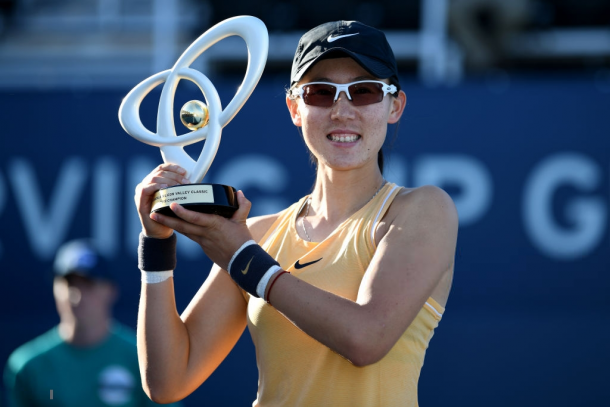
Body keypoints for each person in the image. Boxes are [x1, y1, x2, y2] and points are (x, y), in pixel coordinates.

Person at [134, 20, 458, 406]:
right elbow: (168, 382)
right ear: (294, 107)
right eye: (320, 93)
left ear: (395, 106)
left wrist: (245, 262)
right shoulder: (255, 235)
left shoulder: (423, 209)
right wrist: (157, 246)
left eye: (364, 91)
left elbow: (366, 339)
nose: (342, 110)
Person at [3, 239, 181, 407]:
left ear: (111, 291)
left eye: (88, 283)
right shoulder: (28, 365)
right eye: (69, 284)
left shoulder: (144, 360)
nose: (76, 296)